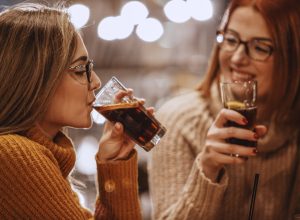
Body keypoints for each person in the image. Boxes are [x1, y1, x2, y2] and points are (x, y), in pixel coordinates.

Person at [149, 0, 300, 219]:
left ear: (292, 57)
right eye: (230, 40)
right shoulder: (178, 120)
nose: (237, 58)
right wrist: (208, 168)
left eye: (260, 47)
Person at [0, 2, 149, 219]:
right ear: (33, 78)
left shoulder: (29, 153)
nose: (96, 82)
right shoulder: (15, 154)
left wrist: (114, 163)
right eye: (80, 69)